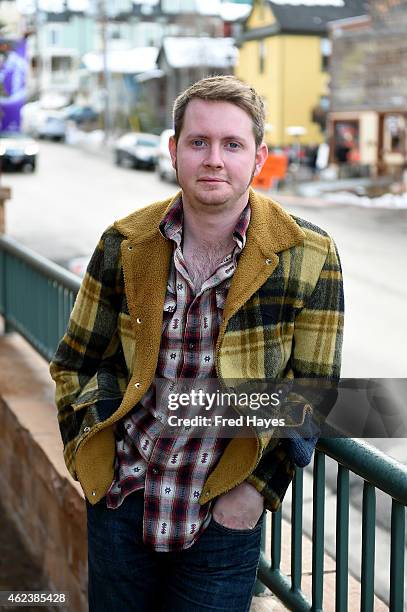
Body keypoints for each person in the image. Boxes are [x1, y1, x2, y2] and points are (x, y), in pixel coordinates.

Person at [50, 75, 344, 612]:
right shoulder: (125, 243)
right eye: (199, 142)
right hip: (122, 503)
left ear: (259, 158)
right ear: (174, 150)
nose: (214, 159)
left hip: (221, 517)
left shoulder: (310, 255)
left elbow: (312, 393)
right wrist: (91, 455)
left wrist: (255, 491)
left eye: (232, 144)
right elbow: (75, 362)